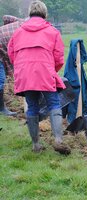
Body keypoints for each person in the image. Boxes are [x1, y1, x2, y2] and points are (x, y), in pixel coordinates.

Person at [8, 0, 67, 153]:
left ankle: (36, 145)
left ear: (29, 13)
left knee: (32, 106)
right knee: (54, 103)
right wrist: (51, 70)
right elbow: (59, 57)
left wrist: (22, 68)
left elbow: (11, 54)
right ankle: (59, 140)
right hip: (45, 72)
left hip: (25, 74)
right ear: (44, 13)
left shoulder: (18, 32)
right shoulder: (53, 31)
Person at [0, 15, 25, 116]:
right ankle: (1, 109)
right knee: (1, 80)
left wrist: (4, 30)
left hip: (2, 48)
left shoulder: (21, 21)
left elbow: (5, 17)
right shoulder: (26, 34)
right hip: (1, 49)